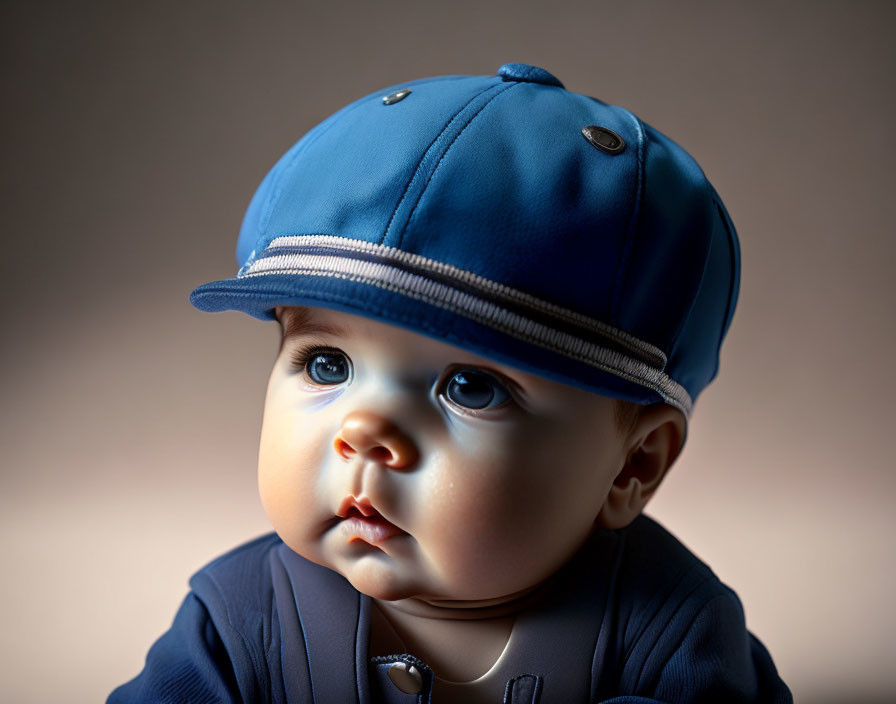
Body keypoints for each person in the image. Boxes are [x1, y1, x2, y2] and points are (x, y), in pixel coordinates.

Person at [108, 63, 792, 703]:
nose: (364, 432)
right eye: (327, 365)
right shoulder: (240, 619)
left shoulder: (672, 630)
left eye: (471, 387)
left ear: (631, 466)